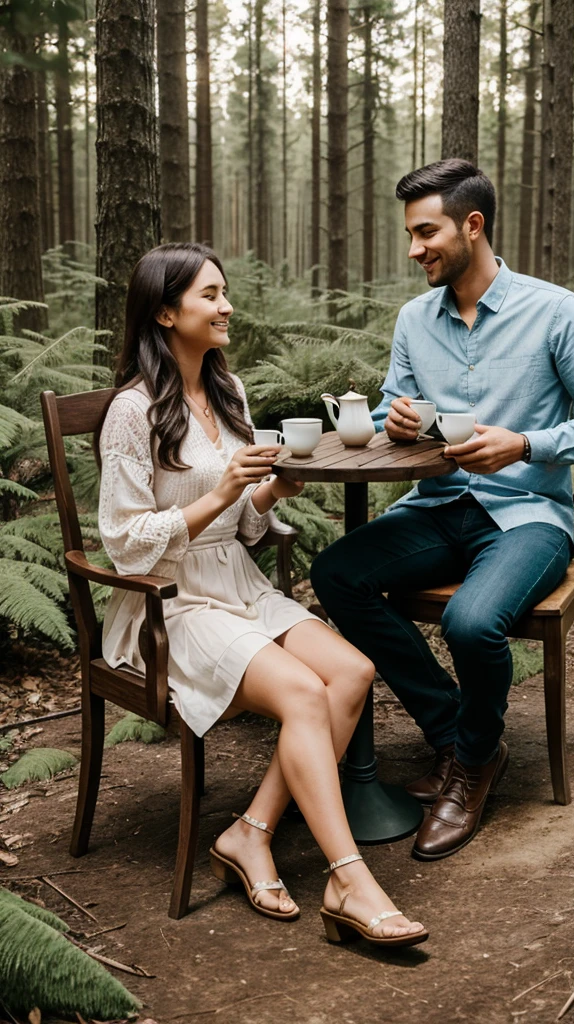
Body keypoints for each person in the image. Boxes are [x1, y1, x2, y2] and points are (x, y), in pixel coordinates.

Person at [97, 242, 427, 947]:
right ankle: (350, 878)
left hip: (235, 582)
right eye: (211, 295)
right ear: (164, 311)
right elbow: (123, 543)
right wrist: (222, 488)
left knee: (353, 671)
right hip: (169, 601)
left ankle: (251, 832)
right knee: (305, 694)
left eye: (225, 293)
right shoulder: (130, 411)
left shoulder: (229, 391)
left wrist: (271, 489)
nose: (227, 306)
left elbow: (245, 527)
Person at [311, 159, 574, 862]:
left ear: (472, 226)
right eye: (410, 235)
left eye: (426, 233)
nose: (415, 249)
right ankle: (460, 735)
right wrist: (400, 422)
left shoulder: (554, 310)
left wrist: (525, 442)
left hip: (530, 516)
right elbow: (403, 403)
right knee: (337, 573)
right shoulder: (413, 318)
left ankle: (473, 768)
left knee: (471, 620)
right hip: (438, 503)